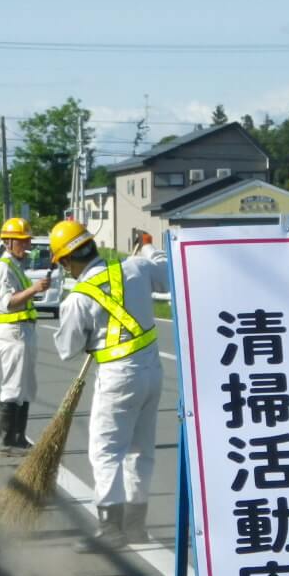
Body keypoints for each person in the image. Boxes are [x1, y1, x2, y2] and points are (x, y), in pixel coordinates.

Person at [50, 220, 167, 551]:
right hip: (153, 371)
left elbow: (66, 349)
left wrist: (91, 337)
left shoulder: (78, 298)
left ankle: (111, 528)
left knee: (106, 452)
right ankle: (136, 526)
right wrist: (146, 244)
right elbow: (164, 269)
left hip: (118, 377)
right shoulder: (135, 267)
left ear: (67, 260)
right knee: (140, 451)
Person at [0, 217, 50, 456]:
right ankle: (7, 441)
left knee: (25, 387)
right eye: (22, 242)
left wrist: (34, 289)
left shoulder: (15, 266)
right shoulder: (3, 268)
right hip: (13, 332)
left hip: (24, 331)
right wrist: (34, 289)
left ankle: (19, 437)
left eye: (27, 242)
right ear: (8, 241)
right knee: (14, 385)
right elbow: (8, 302)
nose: (26, 246)